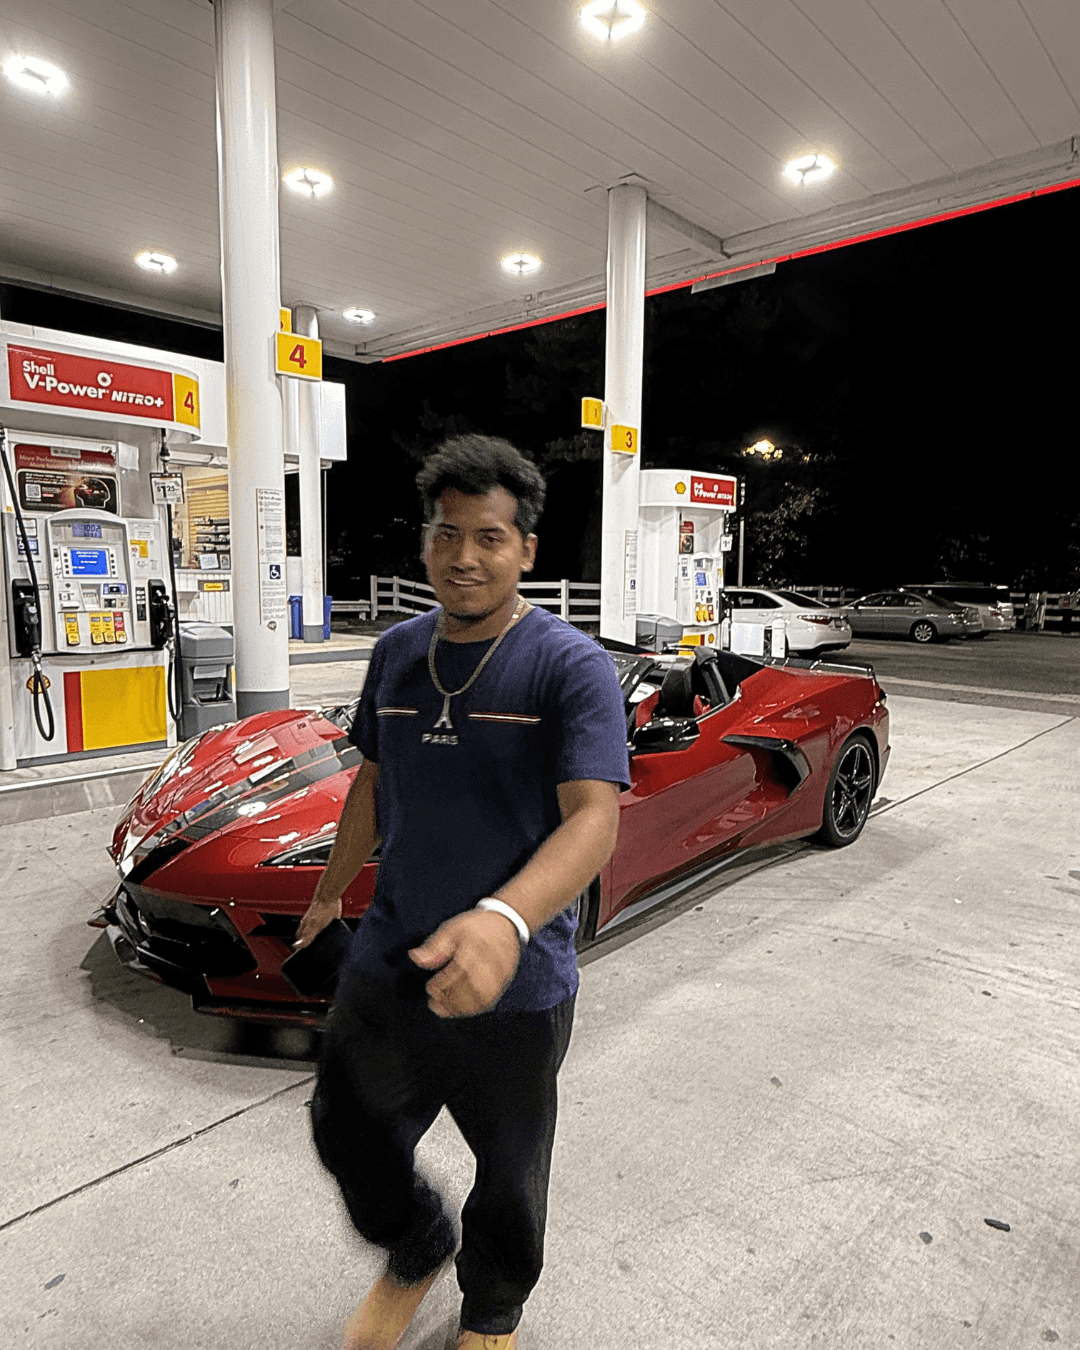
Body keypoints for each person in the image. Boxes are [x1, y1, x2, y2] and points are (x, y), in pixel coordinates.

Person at [294, 434, 630, 1350]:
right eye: (447, 535)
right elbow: (373, 783)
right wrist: (329, 893)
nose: (464, 557)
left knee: (511, 1169)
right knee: (344, 1126)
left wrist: (506, 919)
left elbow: (594, 818)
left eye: (489, 537)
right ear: (426, 542)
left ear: (526, 549)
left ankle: (491, 1309)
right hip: (392, 954)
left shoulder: (570, 665)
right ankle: (416, 1241)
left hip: (516, 980)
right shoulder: (396, 653)